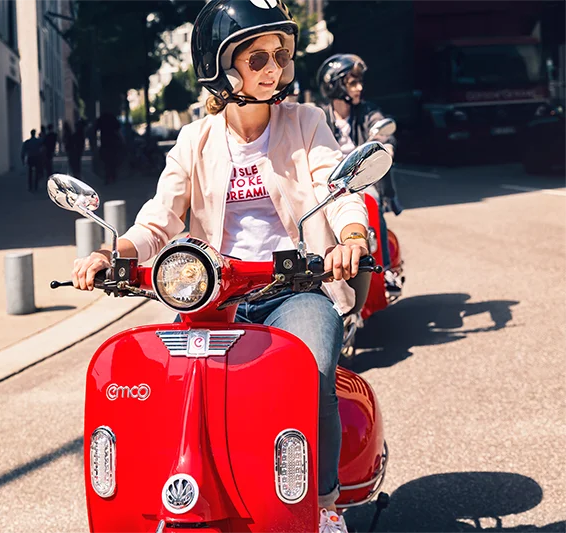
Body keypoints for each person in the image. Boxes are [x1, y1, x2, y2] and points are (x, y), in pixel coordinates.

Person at [71, 2, 368, 531]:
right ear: (222, 66)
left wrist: (350, 235)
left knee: (313, 369)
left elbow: (336, 187)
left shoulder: (306, 123)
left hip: (293, 288)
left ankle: (323, 504)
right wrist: (110, 254)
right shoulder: (196, 139)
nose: (274, 68)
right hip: (214, 295)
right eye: (258, 58)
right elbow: (158, 219)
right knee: (174, 380)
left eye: (281, 54)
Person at [316, 55, 402, 290]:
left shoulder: (366, 111)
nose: (359, 88)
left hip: (363, 179)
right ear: (335, 84)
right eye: (352, 83)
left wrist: (386, 145)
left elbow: (381, 128)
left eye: (359, 82)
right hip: (327, 182)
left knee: (372, 202)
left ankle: (384, 272)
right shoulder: (318, 117)